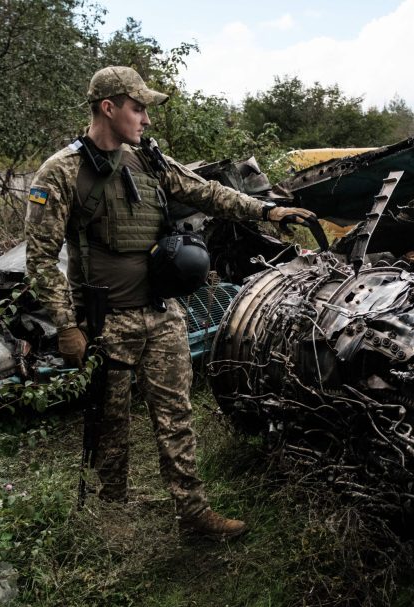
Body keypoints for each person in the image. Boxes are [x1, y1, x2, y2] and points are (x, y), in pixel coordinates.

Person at [25, 66, 315, 538]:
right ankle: (112, 515)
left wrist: (267, 209)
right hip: (105, 323)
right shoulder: (60, 173)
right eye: (138, 108)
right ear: (109, 107)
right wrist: (66, 326)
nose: (146, 119)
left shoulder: (150, 161)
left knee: (176, 416)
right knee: (111, 425)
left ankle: (193, 514)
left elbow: (209, 192)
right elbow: (38, 258)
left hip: (161, 314)